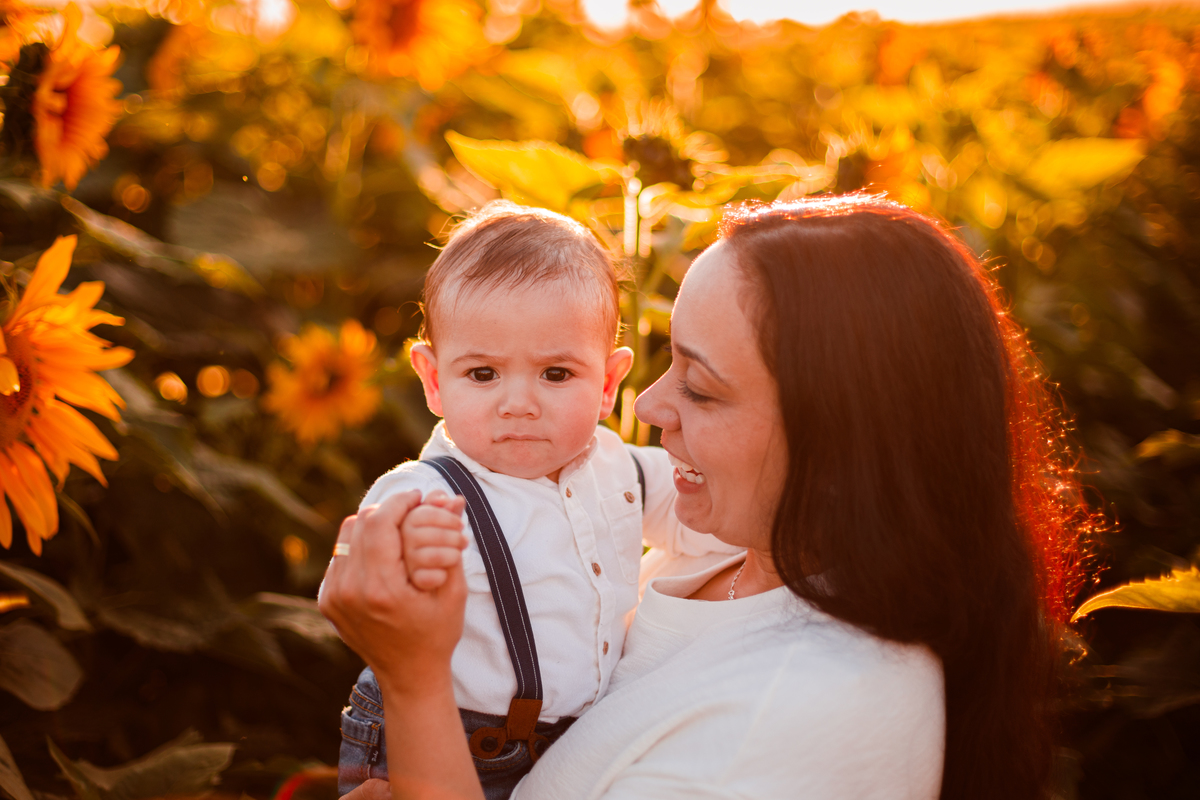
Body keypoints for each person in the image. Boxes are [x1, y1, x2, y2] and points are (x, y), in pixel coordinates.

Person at [320, 194, 1096, 800]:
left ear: (838, 443)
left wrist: (416, 683)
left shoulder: (788, 724)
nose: (648, 408)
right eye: (667, 362)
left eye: (702, 387)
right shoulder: (744, 545)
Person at [334, 202, 738, 800]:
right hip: (444, 736)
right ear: (433, 379)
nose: (518, 403)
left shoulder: (621, 470)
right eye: (482, 374)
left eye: (554, 374)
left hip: (568, 741)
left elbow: (708, 519)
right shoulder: (428, 492)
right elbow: (364, 571)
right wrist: (407, 554)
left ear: (607, 383)